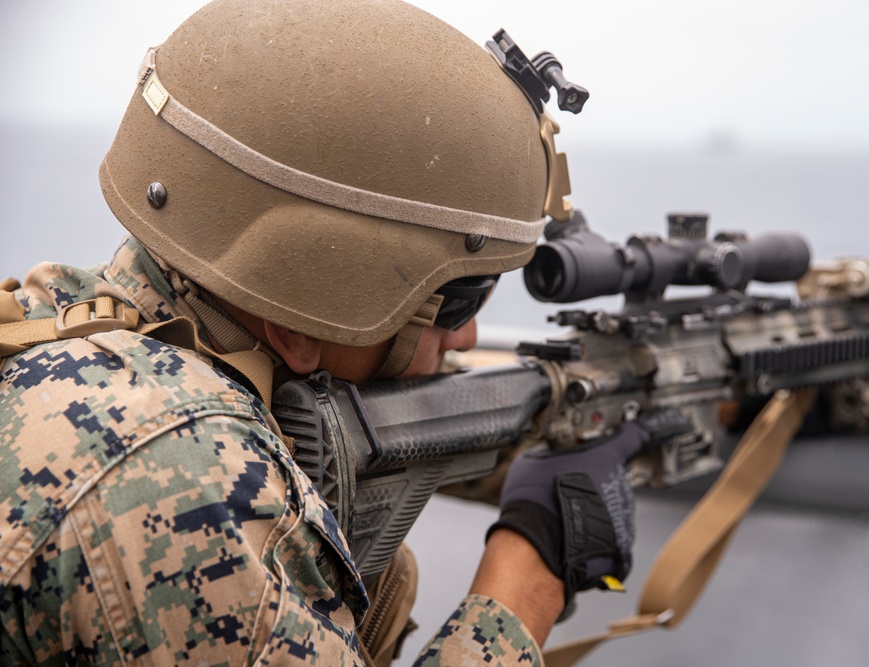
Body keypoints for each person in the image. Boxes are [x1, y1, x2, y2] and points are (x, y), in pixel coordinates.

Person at [0, 0, 643, 664]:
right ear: (303, 317)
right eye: (457, 299)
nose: (470, 333)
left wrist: (581, 421)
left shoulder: (89, 328)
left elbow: (388, 419)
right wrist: (528, 574)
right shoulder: (179, 475)